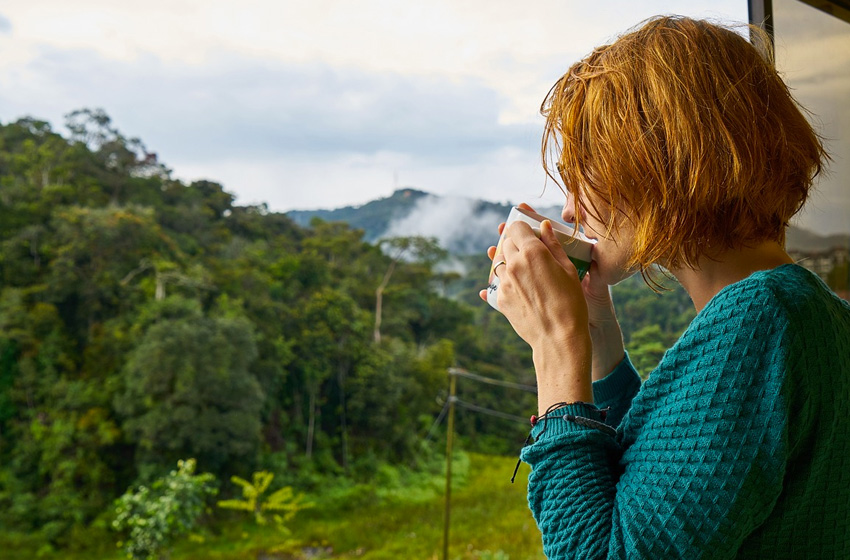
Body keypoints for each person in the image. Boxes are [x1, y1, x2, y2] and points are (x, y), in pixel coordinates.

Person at [480, 16, 850, 559]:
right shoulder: (808, 311)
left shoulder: (760, 321)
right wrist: (599, 344)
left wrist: (557, 347)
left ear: (658, 165)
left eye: (586, 174)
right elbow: (668, 485)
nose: (571, 209)